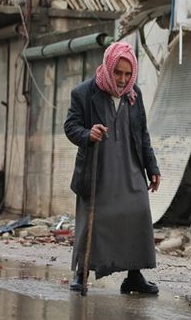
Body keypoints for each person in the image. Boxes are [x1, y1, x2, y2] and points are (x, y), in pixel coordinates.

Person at [64, 41, 161, 294]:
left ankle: (134, 276)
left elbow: (143, 134)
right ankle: (81, 272)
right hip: (99, 169)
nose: (122, 79)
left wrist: (153, 167)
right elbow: (70, 126)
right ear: (108, 67)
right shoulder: (84, 93)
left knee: (138, 213)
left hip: (130, 167)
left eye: (128, 74)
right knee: (94, 221)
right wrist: (88, 133)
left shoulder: (134, 95)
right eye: (118, 72)